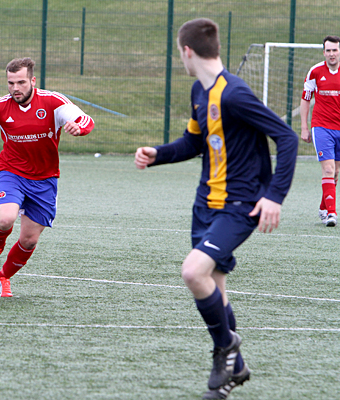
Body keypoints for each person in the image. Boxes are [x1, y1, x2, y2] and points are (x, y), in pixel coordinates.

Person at [135, 19, 297, 399]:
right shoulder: (199, 91)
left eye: (180, 54)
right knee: (215, 288)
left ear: (187, 51)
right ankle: (234, 372)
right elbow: (193, 143)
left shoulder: (234, 94)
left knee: (193, 271)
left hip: (238, 207)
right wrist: (158, 154)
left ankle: (225, 348)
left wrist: (274, 195)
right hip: (204, 204)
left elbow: (286, 137)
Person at [0, 57, 94, 297]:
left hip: (45, 180)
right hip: (11, 173)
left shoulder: (53, 102)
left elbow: (85, 119)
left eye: (21, 82)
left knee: (29, 240)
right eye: (11, 83)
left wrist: (79, 128)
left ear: (33, 80)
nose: (15, 88)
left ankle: (3, 277)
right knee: (5, 219)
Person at [300, 35, 340, 227]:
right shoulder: (315, 72)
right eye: (328, 50)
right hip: (322, 127)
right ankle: (332, 213)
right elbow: (306, 99)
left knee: (335, 172)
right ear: (324, 52)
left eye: (335, 50)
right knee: (328, 169)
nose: (332, 54)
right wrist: (304, 127)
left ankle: (324, 207)